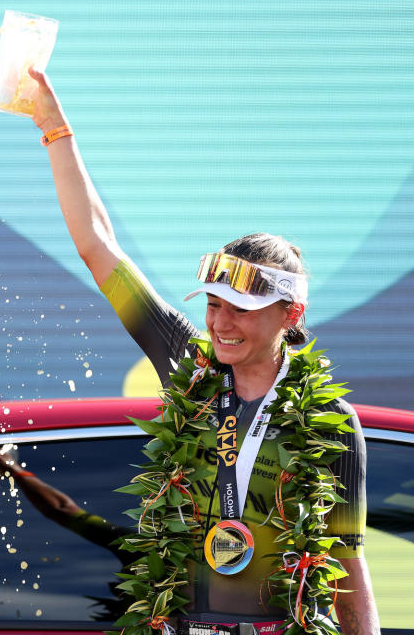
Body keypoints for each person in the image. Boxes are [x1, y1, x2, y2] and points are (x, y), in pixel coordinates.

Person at [26, 68, 378, 635]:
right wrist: (54, 129)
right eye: (213, 304)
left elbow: (347, 571)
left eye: (241, 308)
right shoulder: (189, 371)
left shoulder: (331, 423)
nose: (220, 323)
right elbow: (99, 249)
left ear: (291, 317)